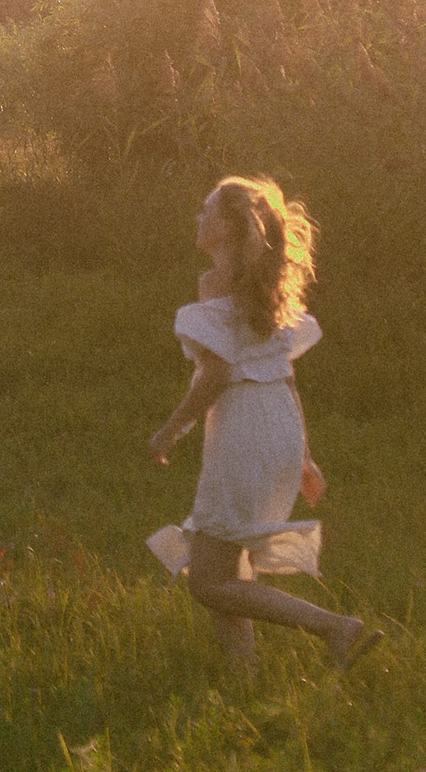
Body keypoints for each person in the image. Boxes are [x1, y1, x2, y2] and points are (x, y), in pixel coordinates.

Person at [147, 170, 379, 673]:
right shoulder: (267, 285)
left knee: (208, 580)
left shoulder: (215, 286)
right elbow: (284, 373)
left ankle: (334, 626)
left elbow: (216, 373)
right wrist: (303, 453)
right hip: (278, 423)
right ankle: (242, 678)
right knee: (227, 567)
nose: (198, 216)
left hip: (244, 427)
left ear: (229, 228)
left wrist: (171, 429)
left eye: (207, 210)